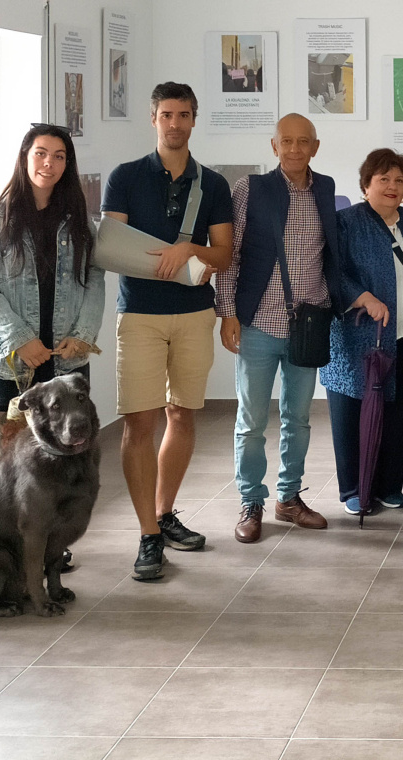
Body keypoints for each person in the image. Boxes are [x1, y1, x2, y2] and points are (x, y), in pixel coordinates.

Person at [103, 82, 233, 580]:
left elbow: (223, 255)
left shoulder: (213, 184)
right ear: (152, 118)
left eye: (183, 114)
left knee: (182, 414)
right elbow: (113, 248)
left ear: (195, 120)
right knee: (140, 421)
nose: (174, 123)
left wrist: (190, 251)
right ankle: (147, 536)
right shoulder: (126, 177)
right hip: (139, 314)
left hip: (195, 313)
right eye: (166, 114)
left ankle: (164, 513)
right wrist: (172, 251)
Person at [217, 113, 343, 544]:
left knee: (299, 418)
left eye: (302, 142)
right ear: (274, 146)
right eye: (286, 141)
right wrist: (227, 311)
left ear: (315, 146)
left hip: (307, 325)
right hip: (257, 322)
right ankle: (251, 501)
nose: (294, 149)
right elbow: (230, 255)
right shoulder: (251, 189)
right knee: (251, 421)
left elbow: (330, 254)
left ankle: (289, 498)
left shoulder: (325, 189)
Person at [321, 149, 403, 516]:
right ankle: (355, 490)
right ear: (365, 185)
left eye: (399, 181)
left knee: (400, 412)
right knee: (353, 414)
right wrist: (362, 297)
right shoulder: (346, 222)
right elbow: (332, 271)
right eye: (383, 180)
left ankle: (390, 485)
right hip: (358, 339)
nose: (392, 187)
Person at [0, 124, 104, 454]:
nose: (49, 163)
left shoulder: (79, 221)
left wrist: (83, 334)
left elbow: (95, 277)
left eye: (59, 157)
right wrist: (20, 340)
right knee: (15, 453)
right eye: (40, 154)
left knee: (70, 450)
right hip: (12, 359)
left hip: (64, 357)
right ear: (25, 157)